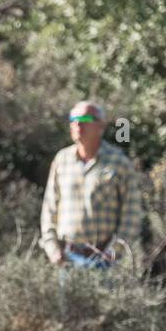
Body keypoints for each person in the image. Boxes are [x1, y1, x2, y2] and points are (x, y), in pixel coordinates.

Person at [40, 101, 141, 269]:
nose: (78, 123)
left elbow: (132, 215)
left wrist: (113, 253)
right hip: (67, 259)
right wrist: (53, 250)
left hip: (103, 260)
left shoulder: (118, 162)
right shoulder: (62, 160)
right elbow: (49, 210)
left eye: (85, 118)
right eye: (73, 119)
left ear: (100, 126)